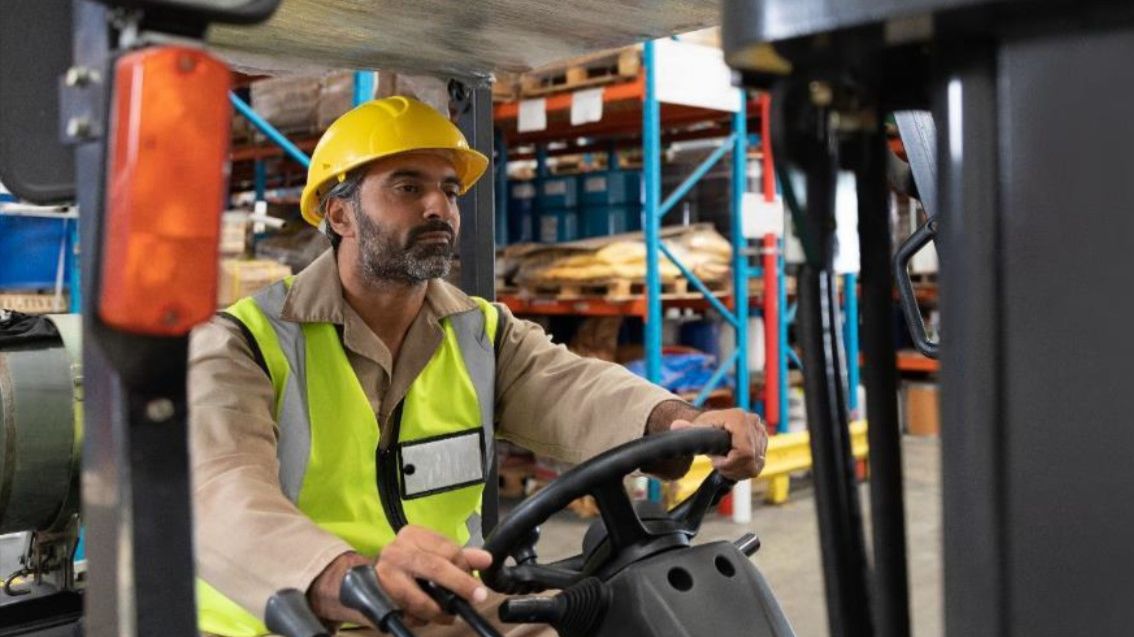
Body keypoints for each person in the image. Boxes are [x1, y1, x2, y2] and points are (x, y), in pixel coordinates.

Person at [189, 96, 768, 636]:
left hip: (445, 602)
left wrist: (682, 423)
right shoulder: (244, 342)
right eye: (407, 187)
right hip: (303, 612)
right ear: (340, 215)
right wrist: (344, 577)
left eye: (448, 190)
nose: (438, 205)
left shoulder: (478, 331)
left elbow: (573, 389)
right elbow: (220, 493)